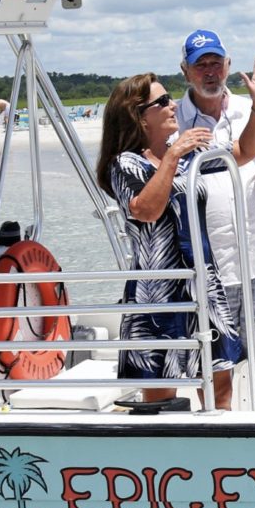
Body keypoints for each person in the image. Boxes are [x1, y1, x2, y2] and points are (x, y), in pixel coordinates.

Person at [177, 28, 255, 410]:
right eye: (201, 65)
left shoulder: (251, 110)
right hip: (208, 264)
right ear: (186, 72)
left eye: (216, 63)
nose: (210, 71)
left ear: (228, 65)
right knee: (214, 361)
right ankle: (222, 439)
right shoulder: (173, 119)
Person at [94, 73, 213, 402]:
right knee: (160, 397)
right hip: (158, 293)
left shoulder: (190, 158)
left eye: (170, 98)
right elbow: (146, 210)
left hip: (202, 284)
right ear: (139, 116)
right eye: (162, 102)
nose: (173, 105)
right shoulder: (126, 164)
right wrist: (173, 156)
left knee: (220, 387)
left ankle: (222, 452)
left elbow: (241, 152)